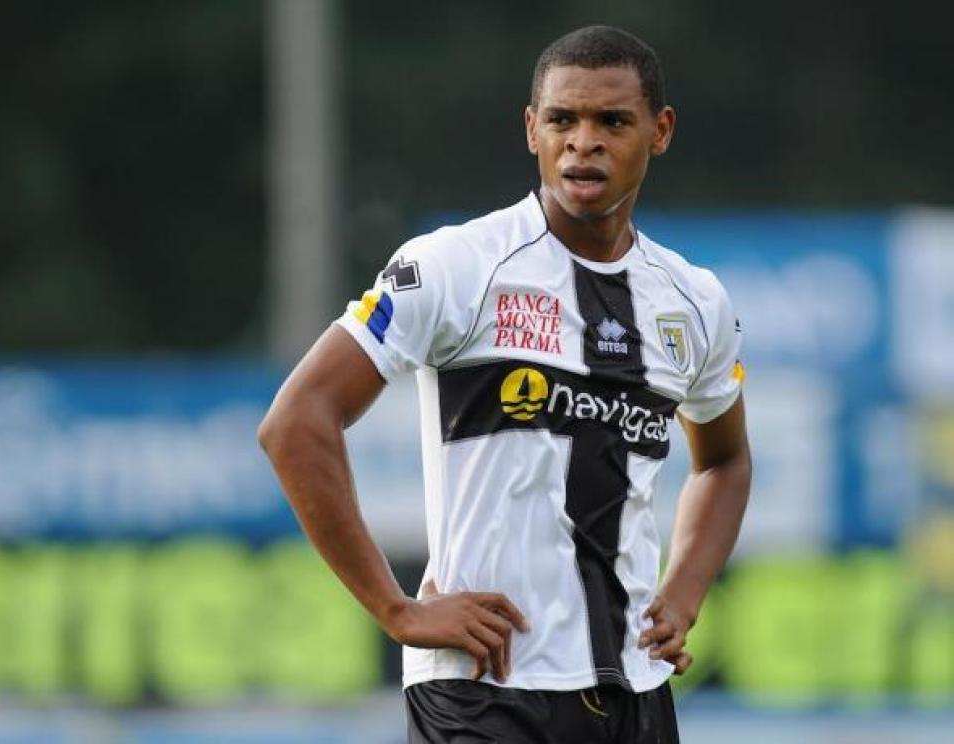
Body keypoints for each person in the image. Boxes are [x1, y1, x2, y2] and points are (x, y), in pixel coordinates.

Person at [258, 25, 751, 744]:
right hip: (483, 689)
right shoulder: (457, 266)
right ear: (531, 129)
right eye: (562, 120)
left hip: (635, 691)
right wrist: (395, 609)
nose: (583, 142)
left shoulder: (694, 301)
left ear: (660, 131)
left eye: (612, 122)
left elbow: (724, 460)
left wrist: (683, 592)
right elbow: (296, 422)